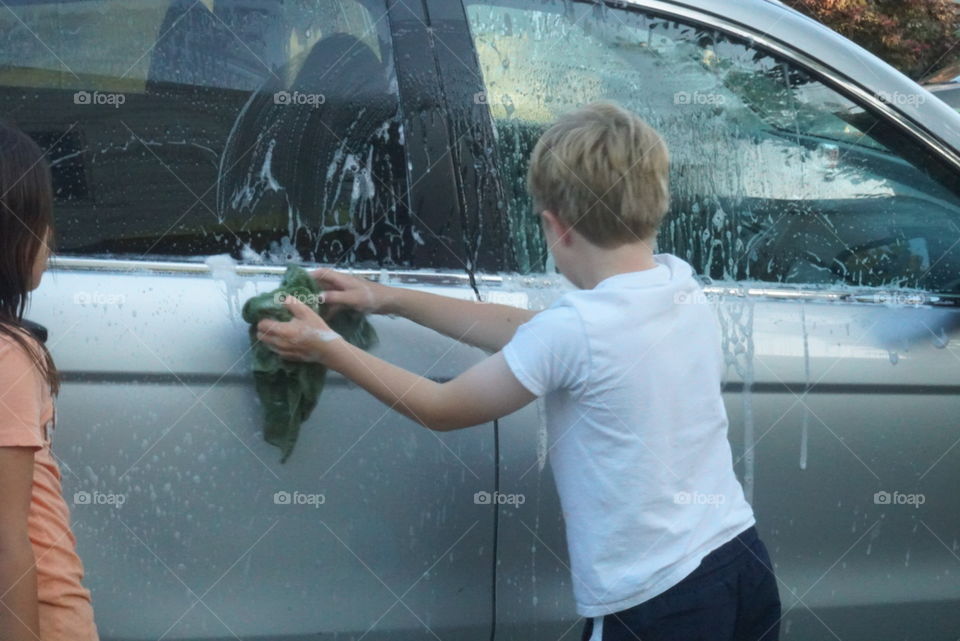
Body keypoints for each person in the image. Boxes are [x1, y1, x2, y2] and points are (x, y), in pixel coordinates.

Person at [257, 101, 781, 641]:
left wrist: (327, 347)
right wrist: (387, 298)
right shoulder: (677, 285)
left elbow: (443, 408)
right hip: (739, 562)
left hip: (656, 603)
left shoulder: (579, 329)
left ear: (555, 228)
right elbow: (534, 331)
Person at [0, 123, 100, 641]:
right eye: (42, 219)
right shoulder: (9, 356)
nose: (51, 238)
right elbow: (6, 539)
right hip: (41, 620)